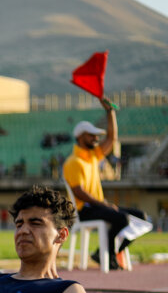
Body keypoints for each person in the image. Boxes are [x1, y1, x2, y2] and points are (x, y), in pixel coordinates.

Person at [63, 98, 149, 270]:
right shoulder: (73, 162)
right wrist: (104, 204)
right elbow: (78, 191)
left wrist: (110, 112)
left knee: (141, 217)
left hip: (98, 206)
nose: (96, 138)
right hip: (83, 210)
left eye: (96, 135)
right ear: (80, 137)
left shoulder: (93, 156)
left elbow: (112, 138)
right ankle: (107, 255)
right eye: (92, 135)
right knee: (122, 218)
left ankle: (105, 252)